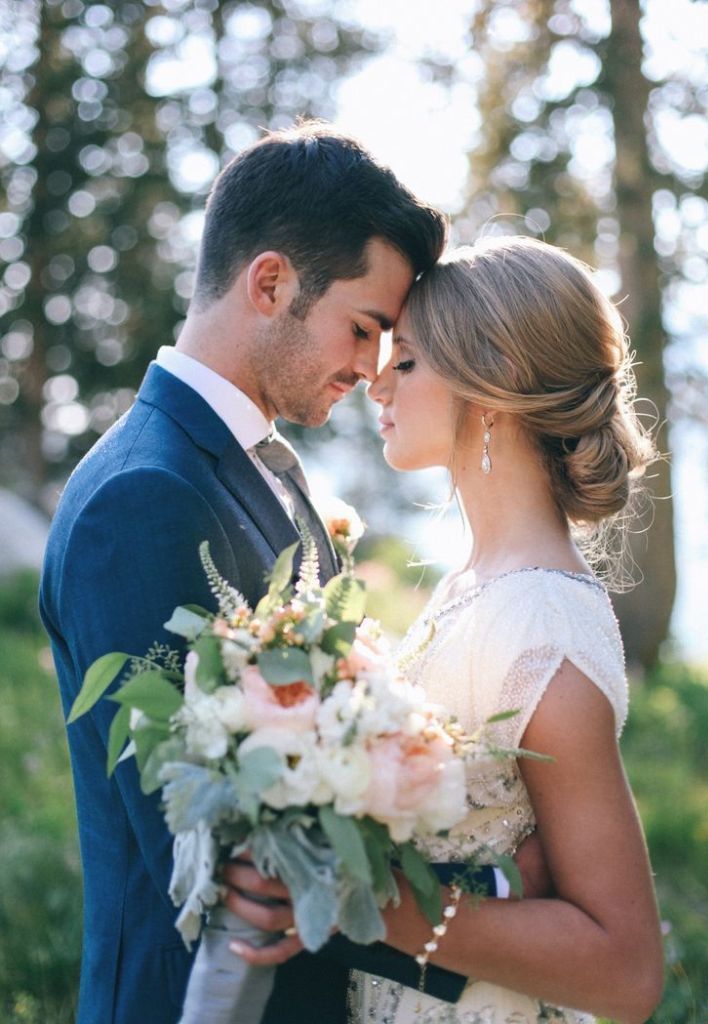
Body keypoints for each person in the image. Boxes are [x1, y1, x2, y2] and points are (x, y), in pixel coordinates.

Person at [39, 121, 445, 1024]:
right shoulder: (141, 497)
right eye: (364, 326)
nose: (373, 369)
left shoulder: (252, 465)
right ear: (271, 283)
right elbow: (209, 855)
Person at [351, 236, 664, 1023]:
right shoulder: (475, 586)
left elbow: (626, 971)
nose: (376, 381)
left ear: (489, 389)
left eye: (410, 360)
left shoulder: (541, 628)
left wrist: (359, 902)